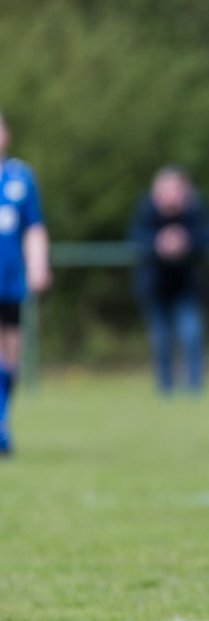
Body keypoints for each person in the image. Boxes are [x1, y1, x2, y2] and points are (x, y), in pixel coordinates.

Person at [129, 166, 209, 395]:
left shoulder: (194, 209)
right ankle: (165, 390)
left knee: (191, 336)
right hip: (155, 288)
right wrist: (159, 243)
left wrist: (185, 241)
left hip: (187, 288)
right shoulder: (146, 209)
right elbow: (136, 238)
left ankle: (194, 389)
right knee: (160, 342)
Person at [0, 111, 51, 456]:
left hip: (9, 281)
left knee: (9, 355)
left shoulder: (20, 177)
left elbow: (33, 227)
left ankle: (2, 421)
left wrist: (38, 265)